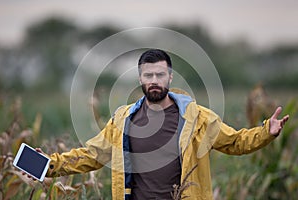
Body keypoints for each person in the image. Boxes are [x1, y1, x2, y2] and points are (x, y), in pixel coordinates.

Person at [38, 49, 289, 199]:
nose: (154, 80)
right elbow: (90, 155)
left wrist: (266, 131)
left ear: (170, 77)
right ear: (140, 79)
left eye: (160, 74)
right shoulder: (123, 120)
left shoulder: (197, 117)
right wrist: (47, 165)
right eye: (148, 75)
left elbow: (235, 142)